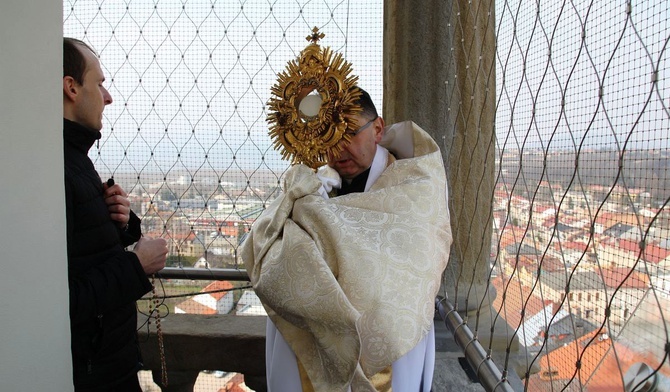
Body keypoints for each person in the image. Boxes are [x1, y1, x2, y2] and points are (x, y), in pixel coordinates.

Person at [242, 87, 453, 391]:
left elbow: (421, 258)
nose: (337, 149)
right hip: (315, 328)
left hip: (391, 332)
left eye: (350, 133)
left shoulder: (414, 186)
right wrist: (301, 206)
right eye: (327, 135)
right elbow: (270, 245)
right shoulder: (314, 187)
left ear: (377, 129)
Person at [63, 37, 168, 391]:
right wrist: (136, 266)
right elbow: (54, 301)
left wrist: (121, 225)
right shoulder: (58, 167)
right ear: (71, 87)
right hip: (94, 374)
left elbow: (81, 253)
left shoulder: (72, 158)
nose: (108, 97)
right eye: (100, 83)